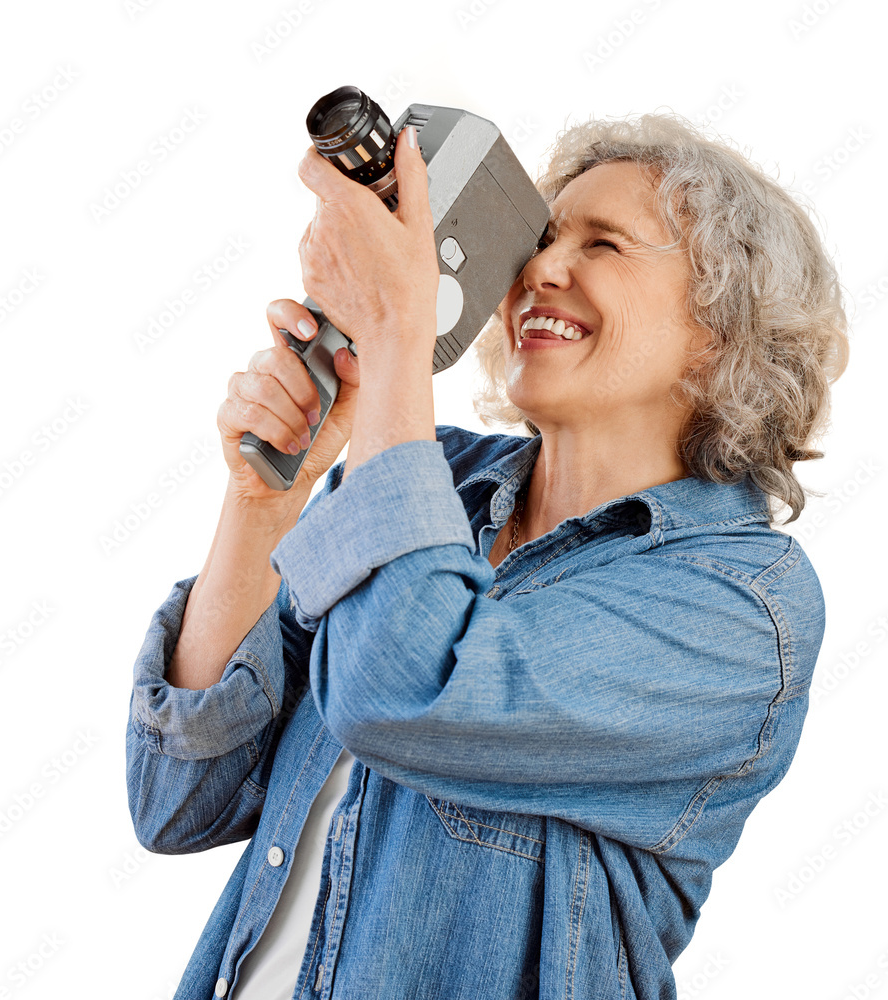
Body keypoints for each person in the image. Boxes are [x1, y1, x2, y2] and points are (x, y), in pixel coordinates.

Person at [126, 112, 848, 999]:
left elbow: (407, 688)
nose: (540, 269)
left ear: (720, 331)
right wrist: (264, 503)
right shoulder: (437, 481)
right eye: (542, 239)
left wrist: (396, 332)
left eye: (606, 245)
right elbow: (180, 800)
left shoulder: (742, 607)